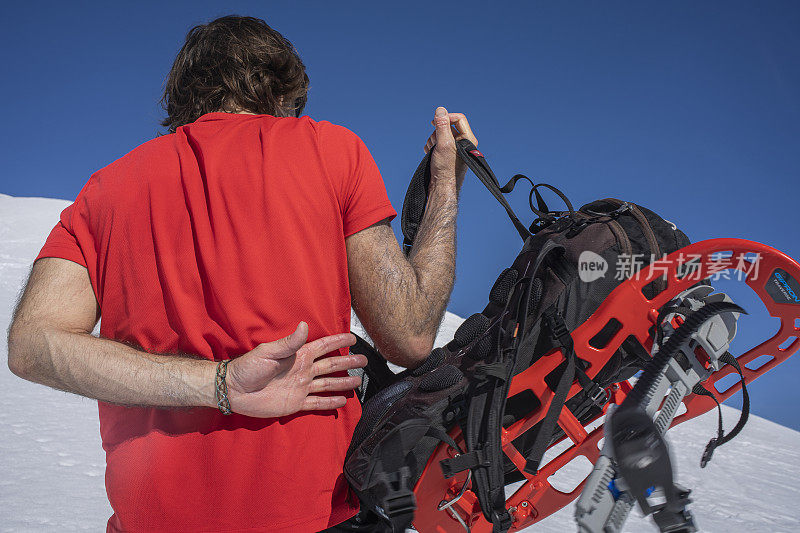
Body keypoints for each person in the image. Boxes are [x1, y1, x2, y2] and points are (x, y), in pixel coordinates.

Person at [6, 15, 477, 533]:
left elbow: (33, 345)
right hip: (311, 515)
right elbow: (408, 335)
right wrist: (446, 186)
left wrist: (218, 384)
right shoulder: (330, 150)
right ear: (285, 91)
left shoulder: (104, 192)